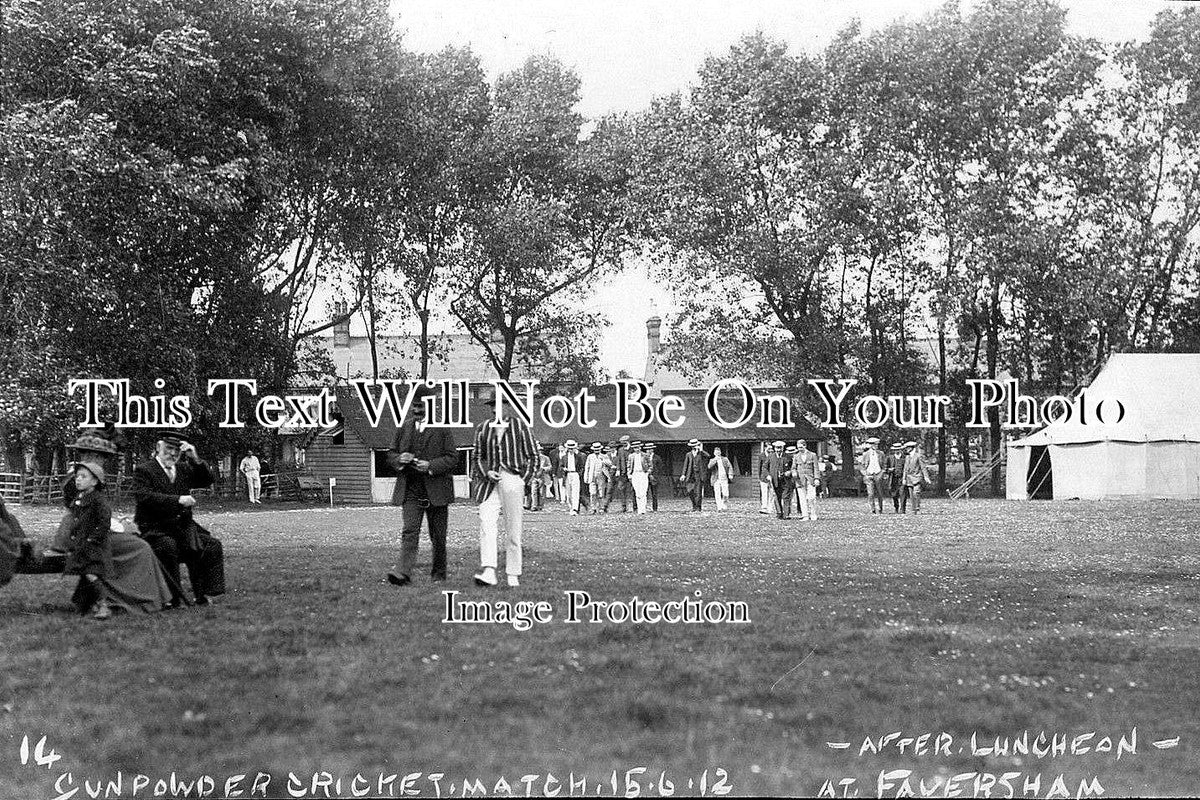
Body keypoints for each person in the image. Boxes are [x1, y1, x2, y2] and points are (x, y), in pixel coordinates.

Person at [133, 431, 225, 607]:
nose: (173, 454)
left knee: (210, 545)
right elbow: (144, 497)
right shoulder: (145, 470)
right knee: (169, 546)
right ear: (158, 447)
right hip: (154, 529)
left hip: (182, 527)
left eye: (177, 450)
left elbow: (207, 480)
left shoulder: (183, 468)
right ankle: (172, 598)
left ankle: (203, 594)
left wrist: (195, 458)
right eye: (168, 448)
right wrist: (178, 500)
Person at [385, 384, 459, 586]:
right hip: (411, 489)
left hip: (436, 490)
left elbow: (453, 457)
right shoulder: (403, 427)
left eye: (421, 407)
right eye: (414, 407)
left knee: (438, 536)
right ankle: (402, 573)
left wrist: (430, 465)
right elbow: (390, 455)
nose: (417, 411)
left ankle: (439, 573)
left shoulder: (442, 428)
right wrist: (401, 458)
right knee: (409, 530)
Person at [472, 396, 540, 588]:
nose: (495, 411)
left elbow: (534, 456)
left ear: (508, 407)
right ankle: (489, 571)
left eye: (499, 406)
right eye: (492, 407)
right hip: (489, 483)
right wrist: (486, 472)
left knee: (513, 528)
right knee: (487, 523)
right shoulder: (483, 428)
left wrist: (523, 480)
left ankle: (513, 572)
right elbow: (477, 456)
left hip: (512, 479)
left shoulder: (521, 427)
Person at [761, 441, 791, 519]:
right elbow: (764, 467)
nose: (778, 450)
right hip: (775, 481)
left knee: (786, 497)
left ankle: (786, 514)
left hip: (785, 480)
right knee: (776, 497)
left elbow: (793, 467)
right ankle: (779, 512)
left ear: (783, 448)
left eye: (780, 448)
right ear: (774, 448)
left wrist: (789, 472)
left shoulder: (788, 457)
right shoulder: (770, 457)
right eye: (777, 448)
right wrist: (767, 475)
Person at [679, 439, 710, 512]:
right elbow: (685, 465)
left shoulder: (701, 454)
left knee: (698, 492)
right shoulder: (688, 454)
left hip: (699, 475)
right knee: (690, 491)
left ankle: (698, 508)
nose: (694, 447)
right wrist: (683, 474)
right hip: (690, 475)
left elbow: (708, 456)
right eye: (693, 446)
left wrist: (701, 450)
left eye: (695, 445)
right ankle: (694, 504)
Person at [901, 440, 932, 513]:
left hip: (917, 477)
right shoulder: (907, 457)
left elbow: (923, 467)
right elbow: (905, 469)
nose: (907, 449)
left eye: (908, 448)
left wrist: (926, 477)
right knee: (911, 495)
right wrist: (904, 478)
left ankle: (917, 508)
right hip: (909, 478)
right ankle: (913, 509)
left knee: (916, 493)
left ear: (912, 448)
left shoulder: (918, 456)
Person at [793, 440, 819, 521]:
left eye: (801, 447)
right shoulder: (796, 456)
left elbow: (816, 467)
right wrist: (794, 473)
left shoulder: (812, 455)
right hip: (800, 480)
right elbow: (793, 467)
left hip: (810, 479)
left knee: (811, 497)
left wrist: (817, 478)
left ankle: (813, 514)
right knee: (802, 498)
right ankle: (805, 515)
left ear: (805, 446)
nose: (799, 449)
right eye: (798, 447)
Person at [858, 437, 885, 514]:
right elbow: (861, 466)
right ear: (871, 445)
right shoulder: (866, 454)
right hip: (869, 475)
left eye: (877, 444)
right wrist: (865, 474)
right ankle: (872, 508)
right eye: (874, 444)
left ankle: (880, 508)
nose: (876, 446)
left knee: (880, 493)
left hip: (878, 474)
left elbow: (884, 465)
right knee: (871, 493)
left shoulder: (881, 454)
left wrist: (881, 473)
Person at [557, 440, 585, 515]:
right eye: (569, 448)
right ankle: (571, 507)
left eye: (572, 448)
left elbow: (582, 466)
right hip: (567, 474)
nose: (571, 450)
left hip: (575, 474)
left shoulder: (578, 457)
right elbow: (560, 466)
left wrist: (579, 474)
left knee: (575, 492)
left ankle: (575, 509)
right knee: (568, 493)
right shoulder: (564, 457)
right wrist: (564, 469)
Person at [606, 435, 632, 512]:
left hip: (631, 472)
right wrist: (618, 469)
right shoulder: (620, 450)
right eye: (622, 443)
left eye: (624, 443)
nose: (623, 444)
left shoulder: (632, 449)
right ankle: (624, 506)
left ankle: (635, 506)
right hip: (623, 473)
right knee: (621, 488)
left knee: (633, 490)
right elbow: (619, 460)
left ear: (628, 442)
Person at [583, 442, 608, 515]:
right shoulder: (590, 457)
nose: (597, 451)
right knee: (592, 493)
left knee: (601, 493)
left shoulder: (604, 456)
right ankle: (593, 508)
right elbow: (587, 467)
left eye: (598, 449)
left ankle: (601, 508)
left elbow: (609, 464)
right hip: (592, 476)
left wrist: (603, 460)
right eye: (595, 450)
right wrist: (586, 477)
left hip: (601, 476)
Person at [627, 440, 651, 514]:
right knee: (637, 493)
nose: (637, 449)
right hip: (635, 474)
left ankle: (643, 509)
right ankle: (639, 509)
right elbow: (628, 466)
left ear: (640, 447)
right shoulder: (631, 456)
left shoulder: (645, 455)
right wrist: (629, 475)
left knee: (643, 492)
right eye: (635, 448)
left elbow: (650, 465)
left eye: (638, 447)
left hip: (643, 474)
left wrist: (647, 473)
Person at [708, 447, 734, 511]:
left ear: (720, 452)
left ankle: (724, 504)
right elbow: (709, 466)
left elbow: (730, 466)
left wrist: (730, 474)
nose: (717, 453)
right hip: (716, 479)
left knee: (725, 493)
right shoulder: (712, 460)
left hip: (724, 478)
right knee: (717, 493)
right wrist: (715, 460)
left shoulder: (725, 459)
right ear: (714, 453)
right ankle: (719, 507)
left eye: (718, 452)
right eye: (716, 452)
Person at [885, 443, 905, 513]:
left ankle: (902, 509)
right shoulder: (889, 458)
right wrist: (889, 470)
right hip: (893, 479)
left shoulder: (904, 457)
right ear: (893, 450)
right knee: (894, 494)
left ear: (900, 449)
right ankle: (896, 507)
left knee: (902, 493)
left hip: (902, 478)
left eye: (898, 449)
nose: (897, 451)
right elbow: (885, 468)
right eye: (895, 449)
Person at [645, 442, 664, 512]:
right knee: (644, 494)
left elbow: (660, 468)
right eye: (647, 449)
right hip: (645, 477)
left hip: (654, 478)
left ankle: (655, 508)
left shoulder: (657, 458)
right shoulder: (644, 457)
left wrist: (655, 476)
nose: (648, 451)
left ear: (652, 449)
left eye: (649, 449)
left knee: (654, 494)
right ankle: (644, 507)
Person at [758, 441, 773, 514]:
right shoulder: (761, 455)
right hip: (763, 477)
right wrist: (760, 477)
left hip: (772, 476)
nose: (770, 449)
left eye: (771, 448)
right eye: (768, 447)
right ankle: (764, 507)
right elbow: (760, 467)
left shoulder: (773, 455)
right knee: (764, 492)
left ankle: (770, 508)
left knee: (771, 493)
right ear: (765, 448)